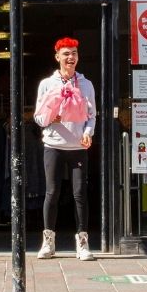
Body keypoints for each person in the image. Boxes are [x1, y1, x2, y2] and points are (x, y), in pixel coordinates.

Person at [32, 37, 97, 261]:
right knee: (52, 193)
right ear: (57, 56)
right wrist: (52, 118)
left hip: (78, 147)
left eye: (74, 53)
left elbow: (92, 116)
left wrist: (88, 133)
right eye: (66, 53)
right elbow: (38, 118)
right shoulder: (47, 84)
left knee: (80, 194)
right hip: (54, 146)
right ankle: (48, 242)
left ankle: (82, 243)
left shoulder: (86, 84)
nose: (71, 57)